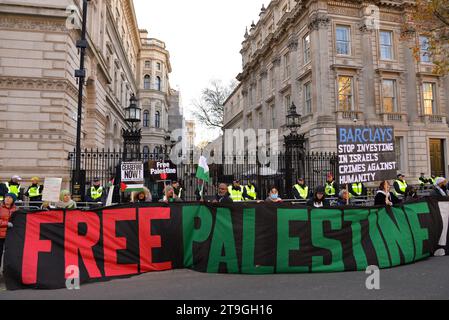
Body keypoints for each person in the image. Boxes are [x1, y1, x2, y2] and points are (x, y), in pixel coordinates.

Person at [0, 193, 17, 270]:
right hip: (0, 235)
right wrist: (6, 223)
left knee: (10, 255)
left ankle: (7, 272)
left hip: (11, 236)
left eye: (10, 197)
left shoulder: (16, 209)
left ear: (13, 200)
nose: (7, 199)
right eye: (6, 197)